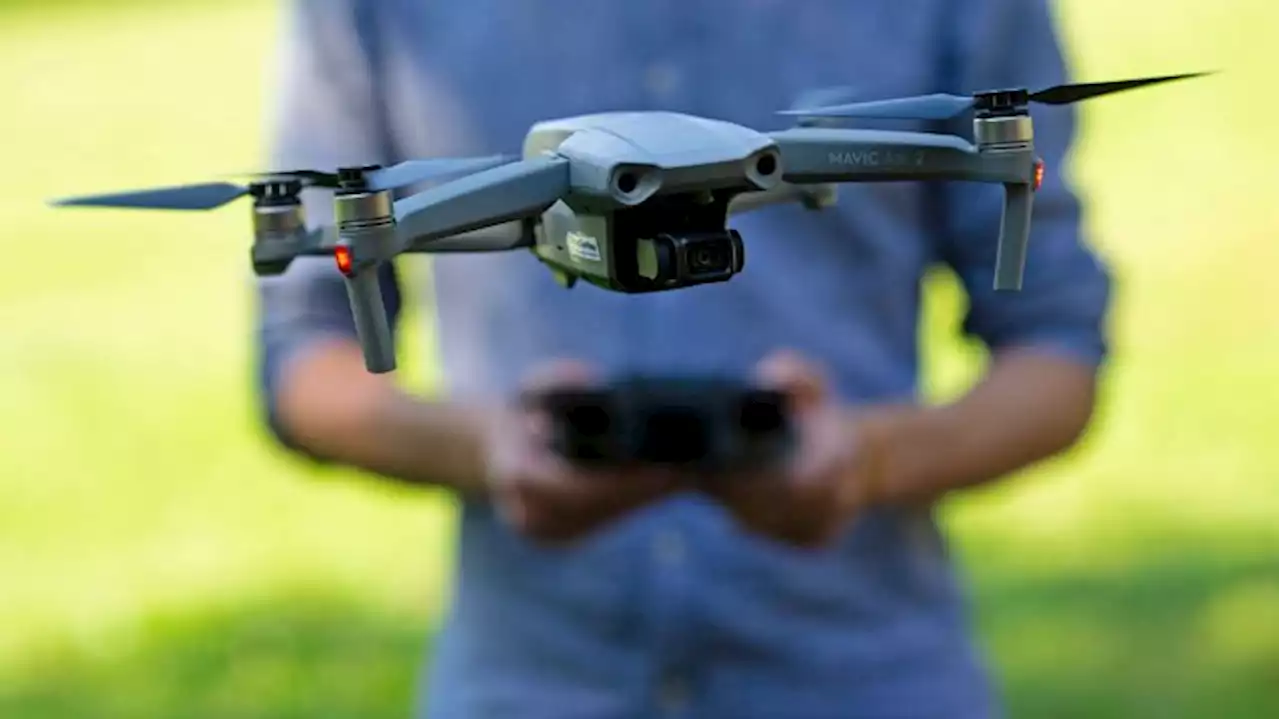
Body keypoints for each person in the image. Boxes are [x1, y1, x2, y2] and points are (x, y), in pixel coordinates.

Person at [256, 0, 1112, 716]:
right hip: (531, 679)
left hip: (867, 673)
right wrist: (482, 447)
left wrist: (872, 459)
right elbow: (303, 352)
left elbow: (1056, 349)